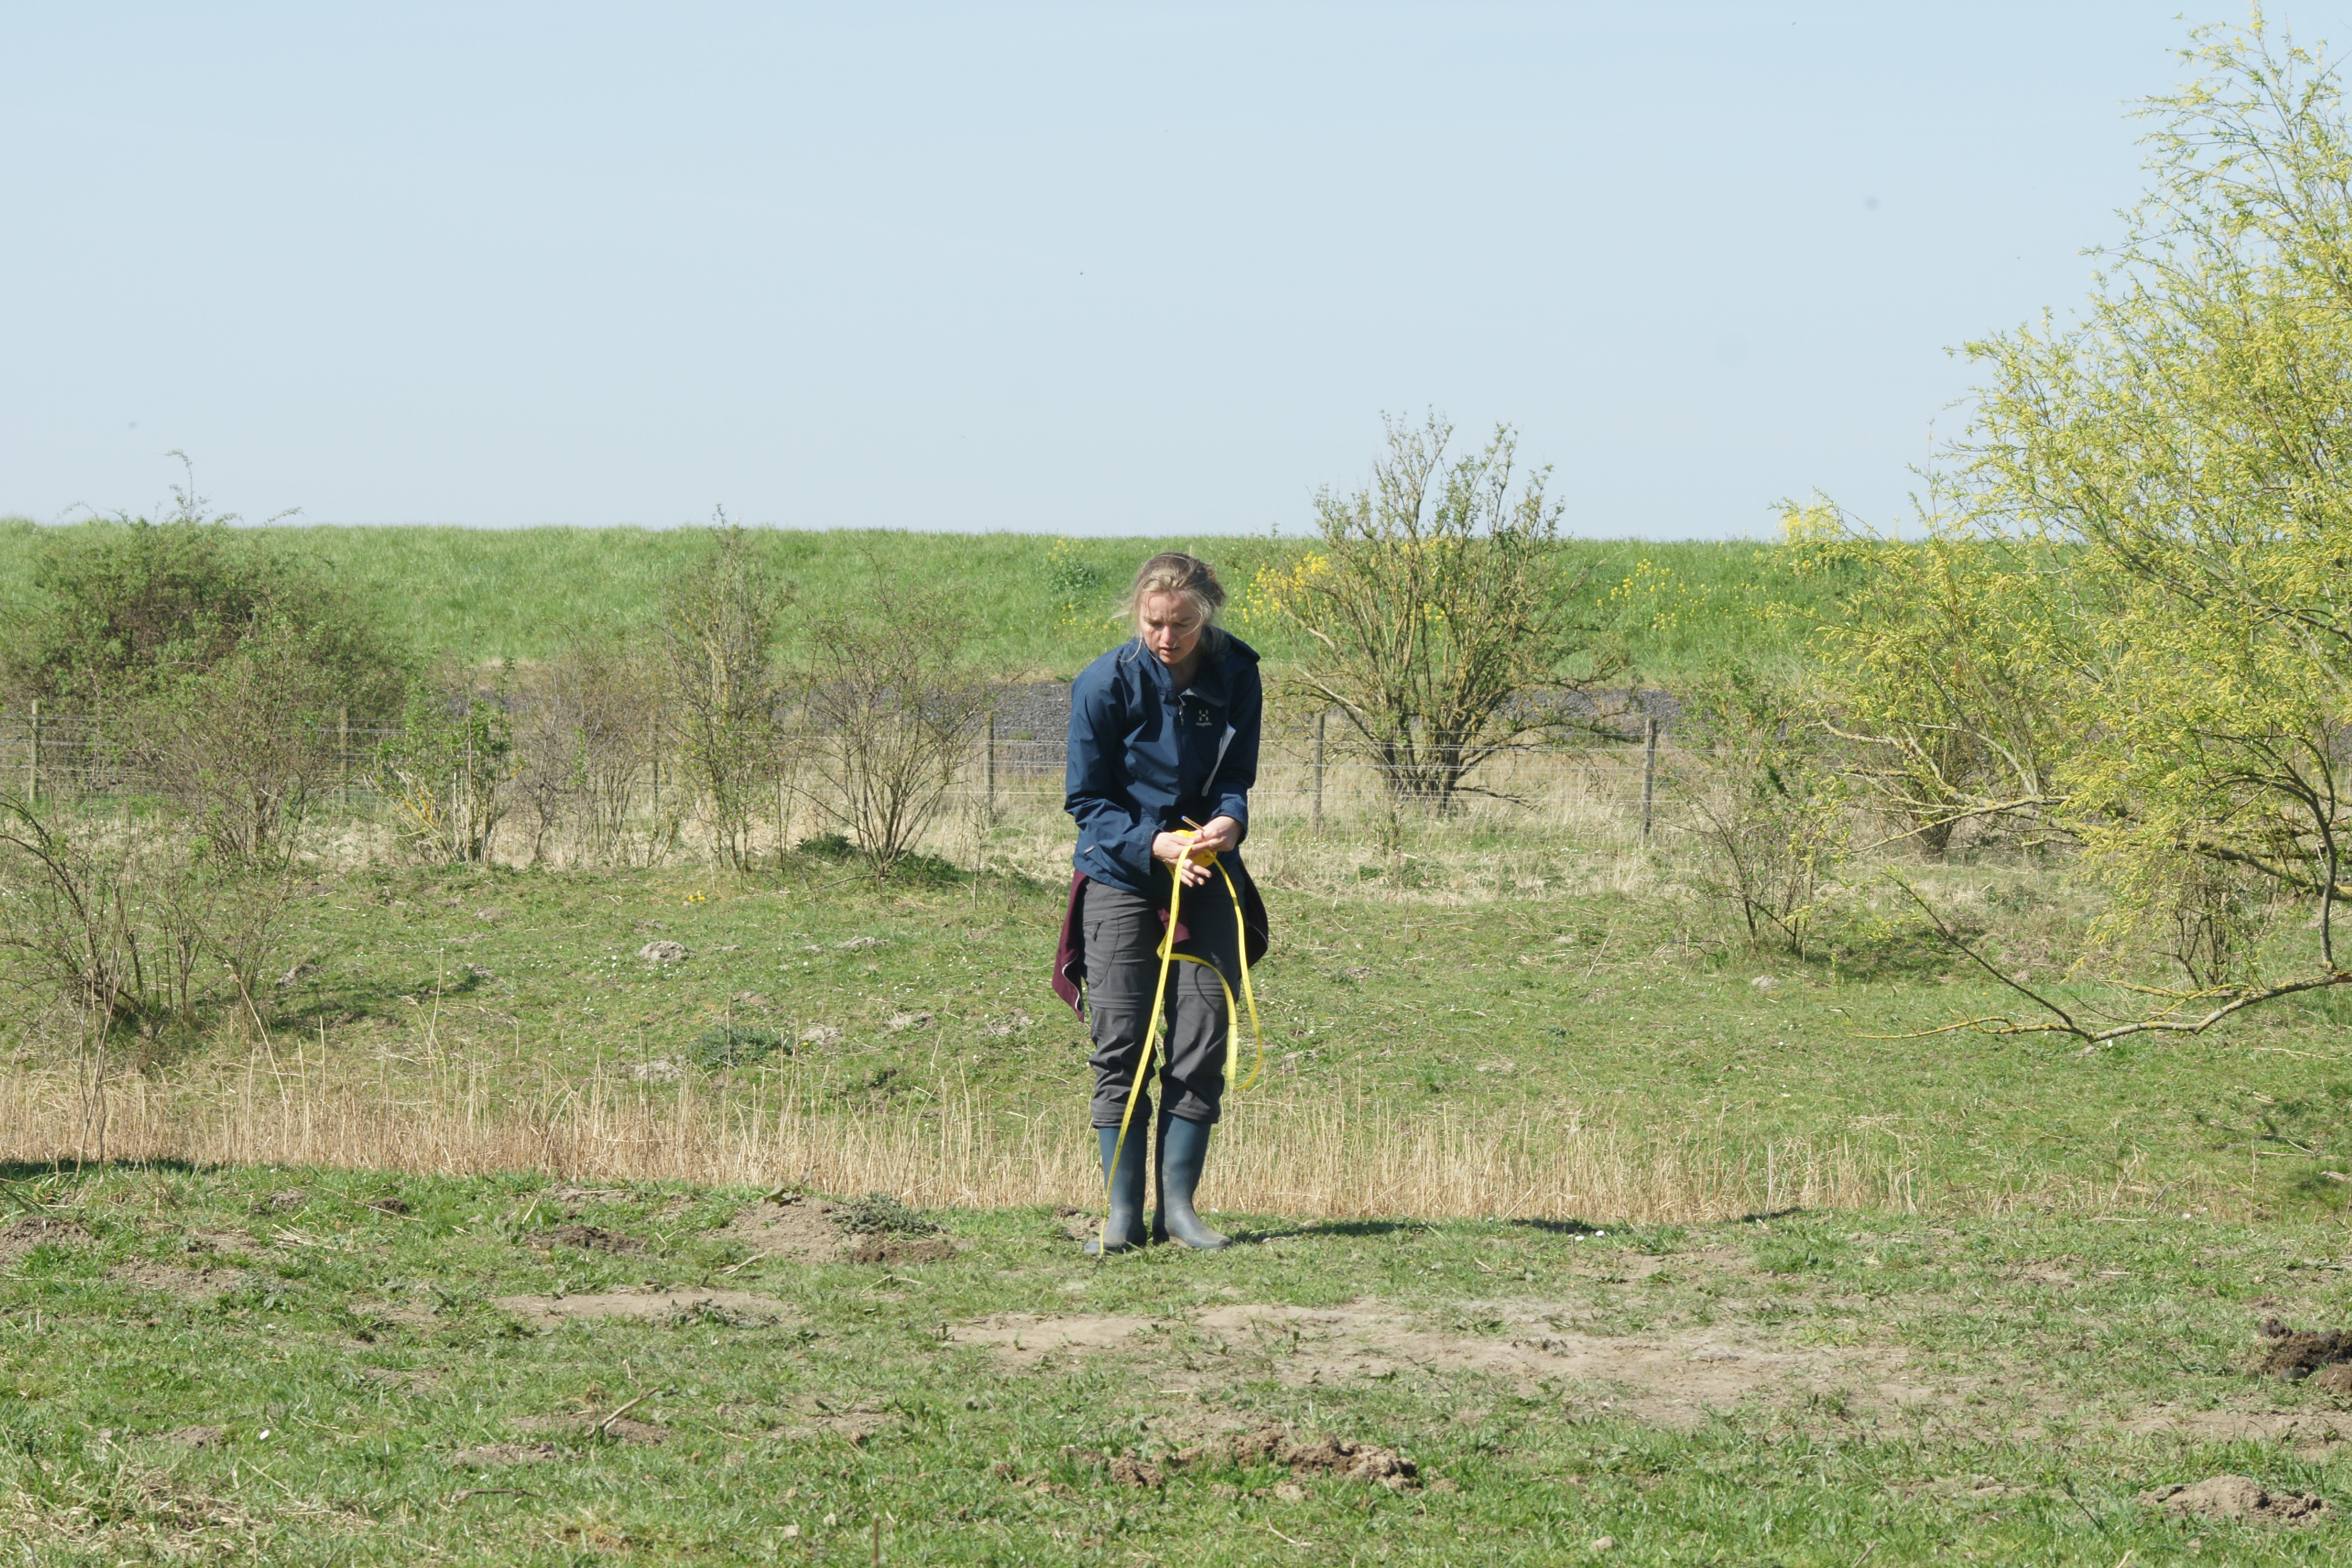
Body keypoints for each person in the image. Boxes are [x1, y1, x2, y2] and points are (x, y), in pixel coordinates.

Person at [1052, 552, 1268, 1253]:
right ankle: (1121, 1218)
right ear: (1137, 614)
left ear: (1206, 616)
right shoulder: (1102, 684)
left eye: (1181, 625)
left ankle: (1179, 1212)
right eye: (1154, 623)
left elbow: (1236, 774)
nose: (1166, 638)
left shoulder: (1238, 672)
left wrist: (1228, 822)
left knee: (1204, 1038)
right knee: (1123, 1047)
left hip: (1209, 870)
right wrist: (1156, 846)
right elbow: (1087, 802)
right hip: (1120, 872)